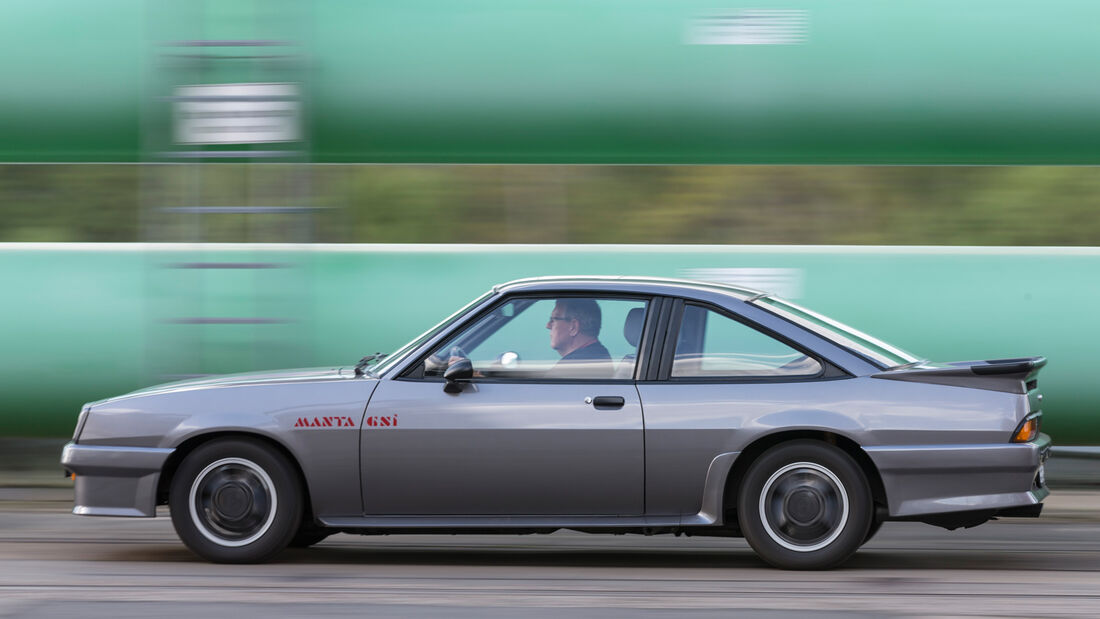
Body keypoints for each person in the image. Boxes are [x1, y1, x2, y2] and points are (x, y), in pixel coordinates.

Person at [546, 299, 612, 374]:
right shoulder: (598, 356)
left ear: (573, 327)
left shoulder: (570, 367)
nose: (548, 326)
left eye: (554, 319)